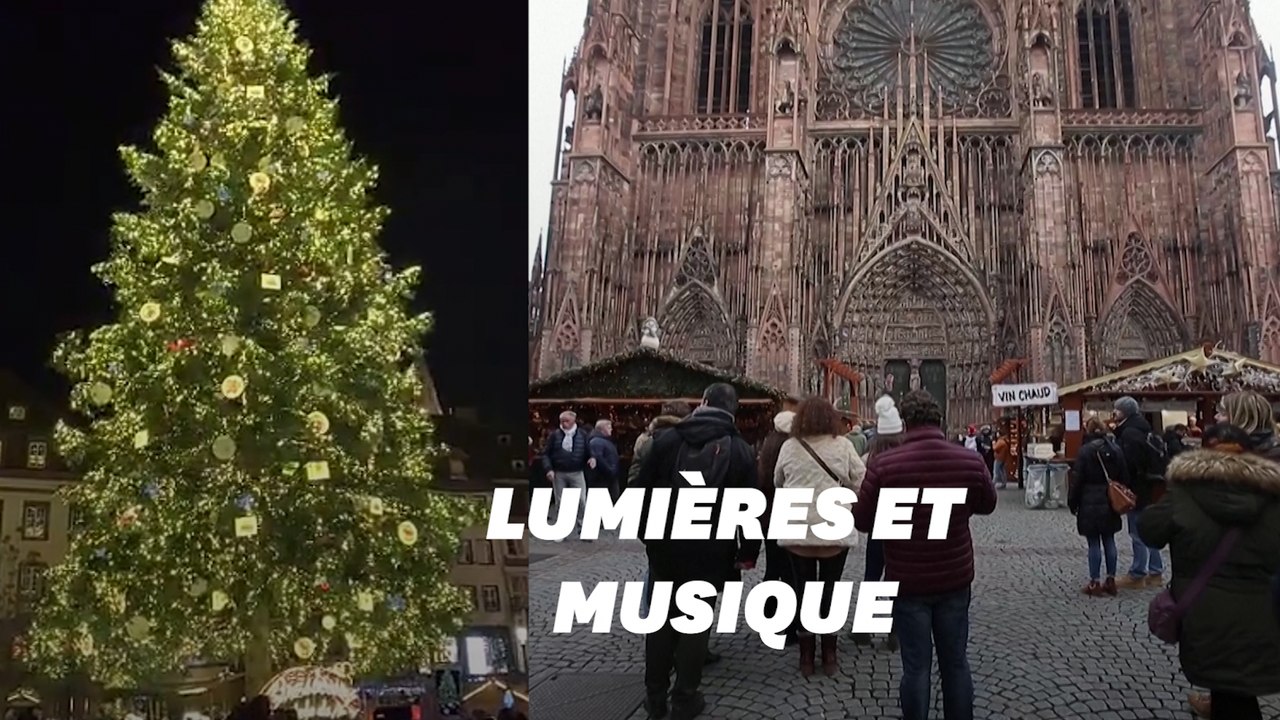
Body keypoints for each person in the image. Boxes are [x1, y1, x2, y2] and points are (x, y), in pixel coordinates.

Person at [853, 389, 997, 720]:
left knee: (916, 668)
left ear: (905, 423)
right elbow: (988, 504)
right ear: (940, 420)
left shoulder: (884, 464)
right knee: (956, 664)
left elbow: (862, 521)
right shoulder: (969, 460)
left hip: (908, 580)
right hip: (954, 577)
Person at [1140, 423, 1280, 720]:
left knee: (1229, 693)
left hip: (1204, 614)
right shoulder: (1271, 495)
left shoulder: (1185, 492)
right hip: (1262, 612)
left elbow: (1150, 530)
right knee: (1237, 693)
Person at [635, 383, 757, 720]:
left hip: (665, 544)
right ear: (733, 411)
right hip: (711, 549)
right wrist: (747, 552)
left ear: (702, 403)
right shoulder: (740, 449)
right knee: (695, 620)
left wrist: (648, 535)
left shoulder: (667, 441)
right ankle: (685, 698)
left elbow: (640, 493)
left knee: (660, 620)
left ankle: (655, 697)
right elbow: (751, 509)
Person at [1186, 390, 1280, 717]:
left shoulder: (1240, 465)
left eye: (1223, 414)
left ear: (1240, 419)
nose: (1216, 419)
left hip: (1245, 581)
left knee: (1232, 676)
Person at [774, 396, 866, 676]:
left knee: (803, 593)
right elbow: (861, 480)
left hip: (798, 533)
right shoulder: (843, 446)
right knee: (830, 592)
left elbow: (778, 480)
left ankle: (805, 658)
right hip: (832, 531)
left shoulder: (790, 446)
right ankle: (829, 656)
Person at [852, 395, 905, 650]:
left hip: (877, 526)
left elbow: (864, 494)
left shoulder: (870, 460)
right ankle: (895, 630)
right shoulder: (910, 458)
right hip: (903, 525)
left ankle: (863, 628)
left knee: (872, 575)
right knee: (897, 576)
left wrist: (861, 520)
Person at [631, 401, 693, 617]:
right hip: (676, 510)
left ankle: (651, 611)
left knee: (655, 565)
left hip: (652, 510)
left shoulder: (645, 439)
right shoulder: (686, 440)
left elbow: (636, 479)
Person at [1068, 416, 1128, 596]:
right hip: (1109, 500)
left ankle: (1094, 582)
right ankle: (1111, 579)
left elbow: (1077, 479)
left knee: (1093, 542)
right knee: (1109, 540)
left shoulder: (1085, 451)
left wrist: (1073, 502)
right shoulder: (1115, 449)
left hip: (1089, 499)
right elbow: (1124, 476)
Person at [1111, 395, 1167, 588]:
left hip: (1137, 488)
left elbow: (1130, 463)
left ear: (1124, 412)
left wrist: (1123, 485)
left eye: (1117, 409)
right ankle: (1155, 571)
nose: (1114, 412)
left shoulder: (1129, 433)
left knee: (1137, 532)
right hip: (1148, 486)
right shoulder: (1142, 428)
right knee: (1146, 529)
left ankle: (1138, 573)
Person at [757, 405, 798, 646]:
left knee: (773, 567)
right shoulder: (792, 449)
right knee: (791, 571)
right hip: (789, 514)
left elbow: (763, 482)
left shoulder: (768, 446)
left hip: (768, 516)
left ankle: (769, 617)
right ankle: (790, 625)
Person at [540, 410, 595, 541]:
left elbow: (589, 450)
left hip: (577, 471)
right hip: (559, 472)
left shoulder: (582, 434)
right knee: (560, 502)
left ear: (573, 421)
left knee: (582, 501)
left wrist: (592, 458)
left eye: (566, 421)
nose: (564, 424)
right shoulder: (555, 435)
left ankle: (583, 529)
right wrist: (549, 469)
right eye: (562, 421)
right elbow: (546, 454)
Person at [587, 419, 621, 501]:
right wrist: (610, 470)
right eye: (609, 427)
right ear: (602, 429)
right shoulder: (596, 442)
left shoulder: (605, 441)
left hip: (608, 478)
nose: (611, 429)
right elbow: (598, 458)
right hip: (602, 479)